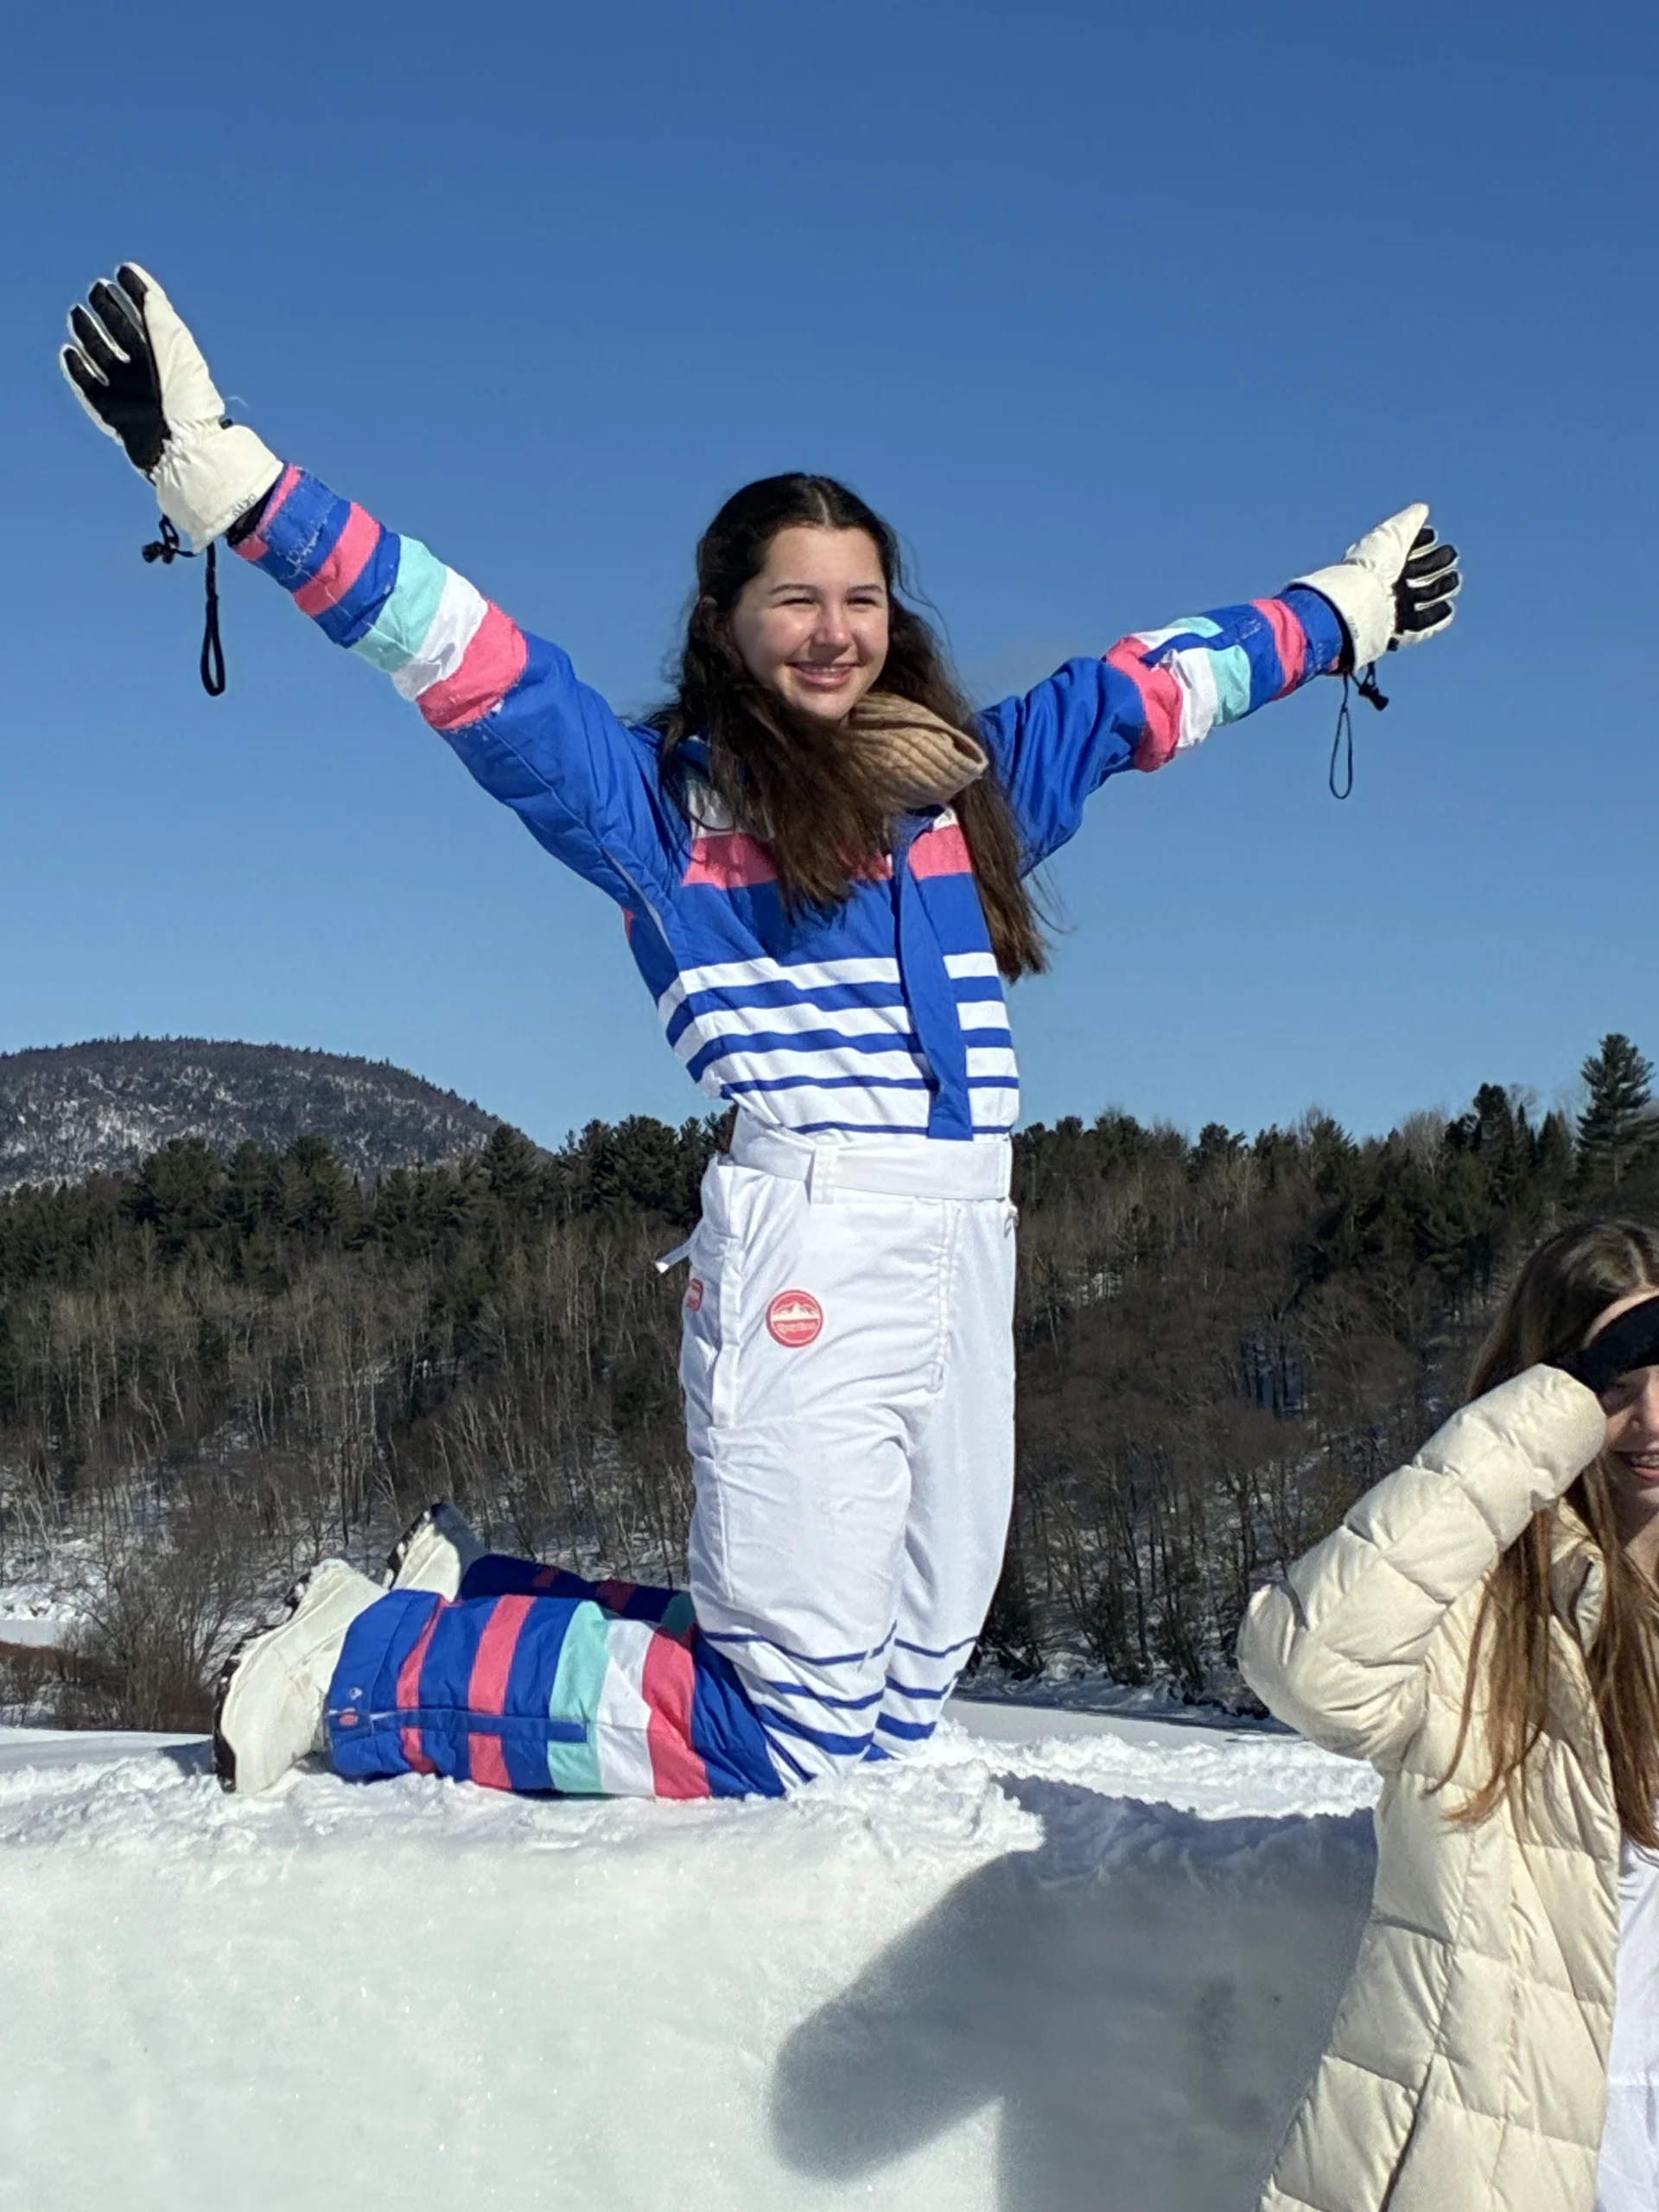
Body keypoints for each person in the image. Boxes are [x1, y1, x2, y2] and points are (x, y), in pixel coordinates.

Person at [61, 263, 1461, 1805]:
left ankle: (478, 1599)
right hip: (813, 1250)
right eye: (795, 598)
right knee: (792, 1731)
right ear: (724, 625)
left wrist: (1339, 615)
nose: (834, 630)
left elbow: (1145, 692)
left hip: (968, 1244)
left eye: (861, 598)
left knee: (900, 1693)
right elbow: (469, 659)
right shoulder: (664, 808)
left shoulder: (963, 791)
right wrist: (253, 495)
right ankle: (377, 1664)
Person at [1239, 1222, 1659, 2212]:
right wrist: (1555, 1412)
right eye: (1616, 1381)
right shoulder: (1480, 1611)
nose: (1650, 1419)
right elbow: (1307, 1667)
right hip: (1515, 2146)